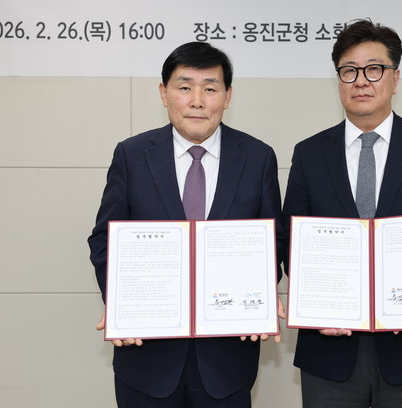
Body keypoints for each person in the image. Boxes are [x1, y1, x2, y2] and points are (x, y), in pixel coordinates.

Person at [280, 19, 402, 408]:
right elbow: (289, 239)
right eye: (349, 71)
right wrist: (312, 303)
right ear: (338, 79)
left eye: (374, 69)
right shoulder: (310, 153)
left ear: (395, 78)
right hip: (329, 346)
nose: (361, 81)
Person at [88, 41, 282, 408]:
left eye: (210, 88)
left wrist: (258, 298)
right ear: (164, 93)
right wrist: (119, 302)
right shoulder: (132, 155)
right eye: (184, 87)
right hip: (147, 355)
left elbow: (273, 241)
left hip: (227, 358)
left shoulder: (257, 157)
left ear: (227, 96)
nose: (197, 101)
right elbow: (105, 239)